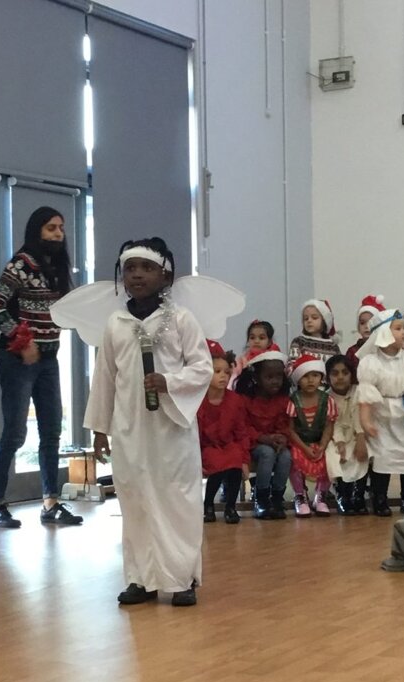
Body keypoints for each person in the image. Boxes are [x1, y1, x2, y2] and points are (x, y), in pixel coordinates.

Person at [84, 238, 212, 607]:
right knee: (135, 498)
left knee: (177, 499)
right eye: (130, 268)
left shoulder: (181, 319)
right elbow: (105, 377)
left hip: (171, 427)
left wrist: (169, 382)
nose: (137, 275)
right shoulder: (116, 323)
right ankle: (141, 578)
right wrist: (100, 428)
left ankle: (182, 577)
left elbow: (202, 368)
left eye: (147, 268)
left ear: (165, 275)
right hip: (130, 428)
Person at [0, 206, 83, 528]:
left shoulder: (57, 268)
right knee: (14, 433)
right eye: (51, 228)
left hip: (49, 360)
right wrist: (21, 338)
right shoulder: (22, 263)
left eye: (61, 228)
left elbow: (61, 313)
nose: (58, 233)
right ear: (36, 230)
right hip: (17, 361)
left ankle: (50, 503)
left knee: (52, 431)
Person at [357, 309, 404, 516]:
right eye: (398, 329)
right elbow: (366, 396)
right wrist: (365, 421)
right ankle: (380, 497)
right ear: (382, 333)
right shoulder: (370, 362)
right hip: (381, 415)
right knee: (383, 456)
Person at [235, 345, 291, 520]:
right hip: (254, 444)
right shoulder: (246, 400)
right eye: (269, 377)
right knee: (267, 453)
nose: (275, 381)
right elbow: (243, 428)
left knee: (286, 456)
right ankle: (261, 499)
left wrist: (282, 437)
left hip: (274, 442)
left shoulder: (283, 401)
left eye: (279, 376)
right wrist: (264, 438)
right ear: (256, 378)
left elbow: (285, 425)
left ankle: (277, 498)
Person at [198, 341, 248, 525]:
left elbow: (241, 431)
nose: (223, 376)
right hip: (207, 446)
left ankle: (230, 507)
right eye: (217, 371)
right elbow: (194, 435)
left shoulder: (235, 400)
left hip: (228, 444)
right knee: (217, 463)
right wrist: (196, 459)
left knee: (234, 461)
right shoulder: (198, 400)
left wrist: (244, 460)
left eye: (226, 372)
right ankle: (208, 505)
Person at [286, 355, 338, 517]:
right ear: (298, 379)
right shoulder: (293, 401)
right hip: (300, 442)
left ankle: (321, 496)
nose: (310, 380)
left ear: (321, 378)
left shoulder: (327, 400)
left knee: (330, 456)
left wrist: (322, 445)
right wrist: (304, 448)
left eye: (315, 375)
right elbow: (290, 430)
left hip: (319, 441)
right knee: (293, 457)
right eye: (305, 376)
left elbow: (329, 426)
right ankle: (300, 495)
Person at [325, 355, 369, 515]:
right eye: (335, 373)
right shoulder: (326, 397)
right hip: (335, 437)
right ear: (328, 377)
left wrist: (361, 438)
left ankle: (358, 495)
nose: (340, 377)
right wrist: (340, 441)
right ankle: (343, 495)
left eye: (345, 372)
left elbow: (359, 417)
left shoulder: (359, 392)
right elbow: (333, 423)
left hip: (359, 434)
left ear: (352, 374)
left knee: (365, 452)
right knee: (333, 454)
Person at [288, 298, 340, 365]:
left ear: (324, 321)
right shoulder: (298, 342)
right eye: (306, 318)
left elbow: (338, 366)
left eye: (314, 318)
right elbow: (292, 365)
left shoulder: (333, 346)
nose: (309, 321)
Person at [345, 295, 386, 375]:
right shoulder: (352, 352)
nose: (367, 326)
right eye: (362, 323)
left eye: (371, 322)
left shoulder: (386, 349)